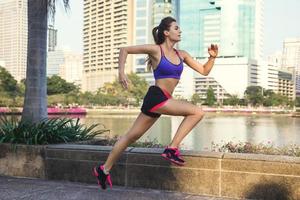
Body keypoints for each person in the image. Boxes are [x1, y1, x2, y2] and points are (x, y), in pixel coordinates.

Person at [92, 16, 218, 190]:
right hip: (158, 96)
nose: (180, 31)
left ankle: (103, 170)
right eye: (176, 28)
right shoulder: (156, 50)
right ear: (166, 32)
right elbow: (124, 49)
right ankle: (172, 148)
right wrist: (121, 73)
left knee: (131, 136)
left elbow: (204, 70)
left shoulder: (182, 55)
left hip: (164, 99)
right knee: (197, 112)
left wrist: (212, 58)